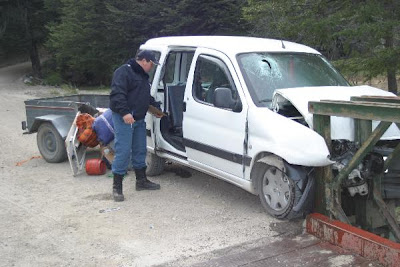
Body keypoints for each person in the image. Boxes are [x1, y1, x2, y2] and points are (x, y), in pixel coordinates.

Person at [109, 50, 162, 202]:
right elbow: (117, 94)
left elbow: (145, 96)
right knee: (124, 151)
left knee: (140, 149)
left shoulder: (143, 76)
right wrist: (125, 113)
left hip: (138, 118)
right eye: (151, 64)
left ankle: (141, 181)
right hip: (125, 118)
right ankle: (117, 187)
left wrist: (155, 108)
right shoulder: (123, 72)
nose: (152, 67)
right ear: (144, 60)